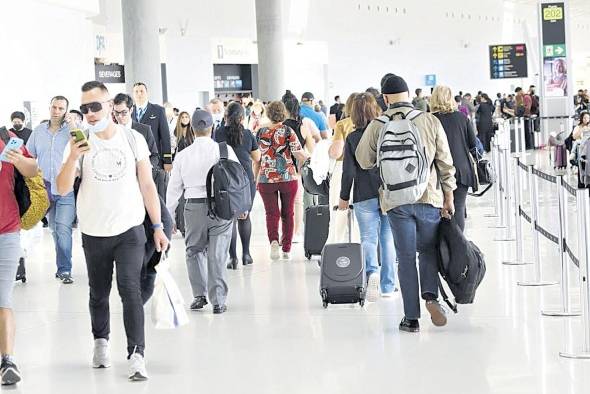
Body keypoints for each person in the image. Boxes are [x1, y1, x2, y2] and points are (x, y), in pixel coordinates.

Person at [56, 81, 169, 381]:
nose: (90, 114)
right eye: (84, 109)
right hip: (94, 231)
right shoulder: (78, 144)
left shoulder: (133, 139)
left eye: (95, 107)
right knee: (98, 292)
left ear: (109, 106)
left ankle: (137, 354)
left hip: (130, 229)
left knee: (130, 291)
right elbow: (62, 187)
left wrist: (157, 226)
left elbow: (147, 185)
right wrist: (71, 157)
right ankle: (101, 342)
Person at [356, 74, 456, 333]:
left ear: (385, 98)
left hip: (396, 201)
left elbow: (363, 160)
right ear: (409, 94)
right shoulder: (429, 120)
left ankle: (411, 318)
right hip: (428, 198)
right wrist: (449, 195)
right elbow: (445, 162)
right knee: (428, 250)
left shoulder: (379, 124)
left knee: (405, 256)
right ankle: (431, 298)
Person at [166, 109, 238, 313]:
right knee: (217, 254)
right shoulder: (224, 151)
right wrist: (240, 207)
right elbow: (237, 180)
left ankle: (199, 296)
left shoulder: (182, 155)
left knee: (193, 250)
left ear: (192, 129)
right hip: (221, 207)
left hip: (193, 207)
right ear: (211, 127)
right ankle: (219, 301)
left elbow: (173, 189)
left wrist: (169, 217)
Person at [338, 92, 397, 301]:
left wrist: (343, 198)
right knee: (388, 238)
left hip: (363, 194)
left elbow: (348, 172)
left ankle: (372, 272)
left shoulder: (353, 138)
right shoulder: (385, 132)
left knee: (367, 238)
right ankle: (388, 286)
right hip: (387, 192)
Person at [0, 128, 38, 385]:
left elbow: (32, 170)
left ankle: (8, 360)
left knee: (3, 298)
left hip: (6, 230)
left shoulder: (6, 136)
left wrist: (17, 159)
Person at [26, 96, 76, 284]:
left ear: (66, 111)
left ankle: (65, 270)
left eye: (60, 108)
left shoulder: (72, 131)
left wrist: (73, 126)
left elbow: (81, 146)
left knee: (63, 228)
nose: (56, 111)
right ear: (49, 108)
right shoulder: (38, 132)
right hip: (45, 189)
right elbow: (29, 157)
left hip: (65, 189)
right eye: (54, 107)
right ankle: (61, 265)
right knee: (54, 229)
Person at [254, 101, 309, 260]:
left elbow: (256, 159)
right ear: (283, 113)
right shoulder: (288, 130)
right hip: (288, 177)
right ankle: (286, 249)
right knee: (288, 213)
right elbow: (298, 153)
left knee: (271, 213)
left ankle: (273, 242)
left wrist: (255, 178)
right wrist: (311, 159)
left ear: (268, 114)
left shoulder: (260, 131)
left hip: (266, 178)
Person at [214, 102, 260, 269]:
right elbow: (257, 157)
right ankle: (246, 255)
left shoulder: (218, 133)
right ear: (242, 118)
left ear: (225, 117)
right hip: (246, 181)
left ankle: (232, 258)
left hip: (227, 181)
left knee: (230, 218)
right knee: (245, 216)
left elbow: (215, 155)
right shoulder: (248, 134)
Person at [431, 85, 478, 231]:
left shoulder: (430, 120)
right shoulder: (462, 118)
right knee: (458, 207)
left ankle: (442, 248)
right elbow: (473, 143)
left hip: (437, 171)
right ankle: (459, 246)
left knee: (436, 209)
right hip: (461, 169)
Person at [281, 91, 317, 243]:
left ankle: (285, 233)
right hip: (298, 168)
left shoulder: (280, 127)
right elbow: (311, 147)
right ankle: (296, 233)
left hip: (282, 168)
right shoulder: (303, 125)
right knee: (297, 201)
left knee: (283, 202)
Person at [132, 82, 173, 198]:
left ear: (147, 93)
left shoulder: (158, 110)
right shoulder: (130, 111)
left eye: (141, 91)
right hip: (135, 158)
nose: (139, 94)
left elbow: (165, 137)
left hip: (154, 158)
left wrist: (167, 160)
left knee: (156, 192)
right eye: (136, 92)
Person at [327, 93, 359, 243]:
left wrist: (328, 150)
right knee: (360, 216)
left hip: (342, 168)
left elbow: (336, 152)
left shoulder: (343, 124)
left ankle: (336, 247)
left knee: (339, 211)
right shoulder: (372, 123)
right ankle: (360, 251)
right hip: (365, 171)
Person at [113, 93, 160, 169]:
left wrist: (145, 169)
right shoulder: (110, 131)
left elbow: (154, 156)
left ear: (131, 110)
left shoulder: (144, 130)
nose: (120, 116)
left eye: (124, 112)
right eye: (116, 113)